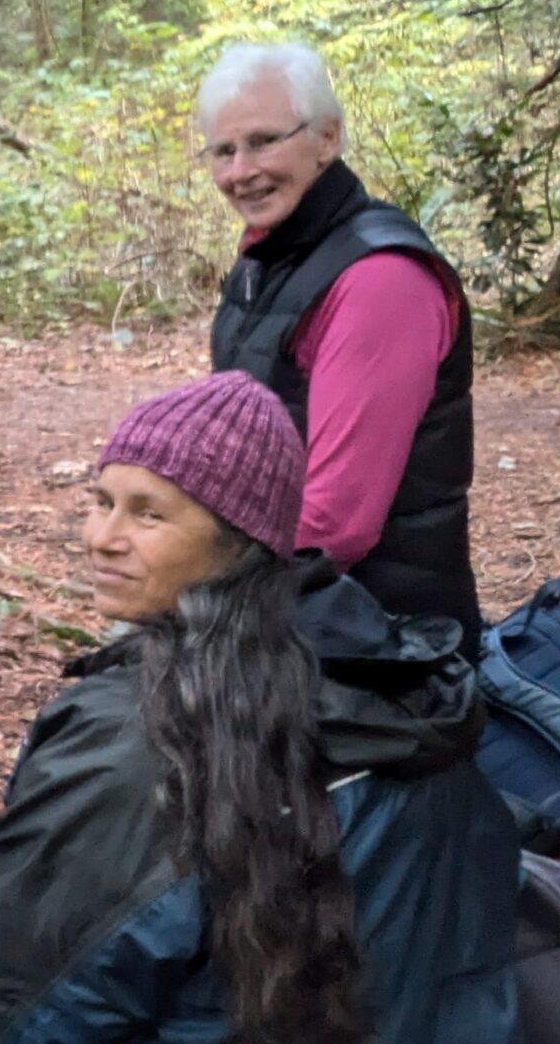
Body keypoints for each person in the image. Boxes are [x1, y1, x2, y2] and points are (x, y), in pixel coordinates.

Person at [0, 373, 521, 1044]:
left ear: (239, 537)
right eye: (99, 501)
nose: (101, 537)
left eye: (147, 514)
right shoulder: (415, 694)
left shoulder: (141, 739)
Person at [199, 40, 479, 631]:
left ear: (328, 137)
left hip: (381, 644)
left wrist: (194, 587)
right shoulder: (269, 261)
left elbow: (333, 524)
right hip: (289, 607)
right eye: (223, 151)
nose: (240, 172)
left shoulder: (379, 280)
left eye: (263, 141)